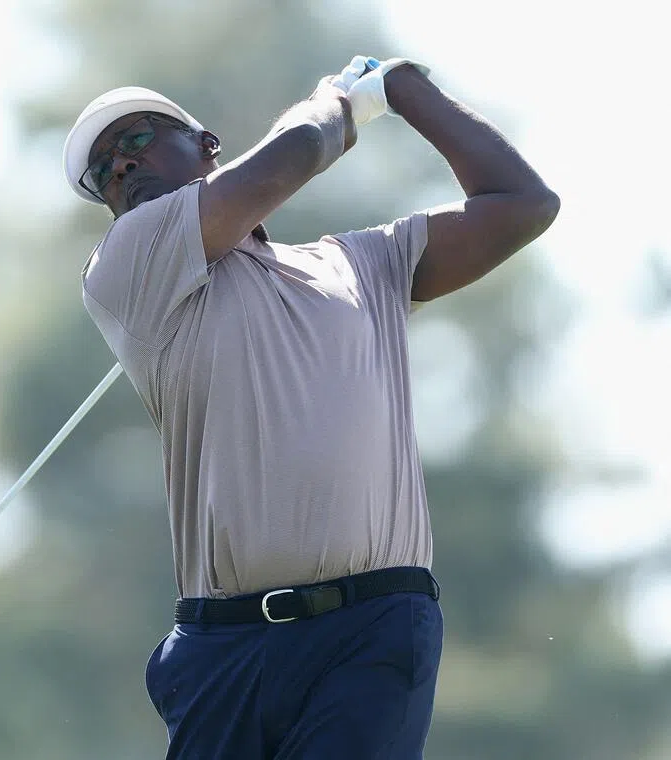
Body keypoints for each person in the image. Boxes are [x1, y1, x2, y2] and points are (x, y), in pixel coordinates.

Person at [61, 55, 559, 759]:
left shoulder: (365, 265)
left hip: (372, 631)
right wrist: (340, 102)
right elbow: (295, 155)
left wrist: (409, 91)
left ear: (206, 146)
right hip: (223, 650)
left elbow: (522, 205)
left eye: (137, 139)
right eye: (101, 172)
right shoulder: (127, 262)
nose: (119, 168)